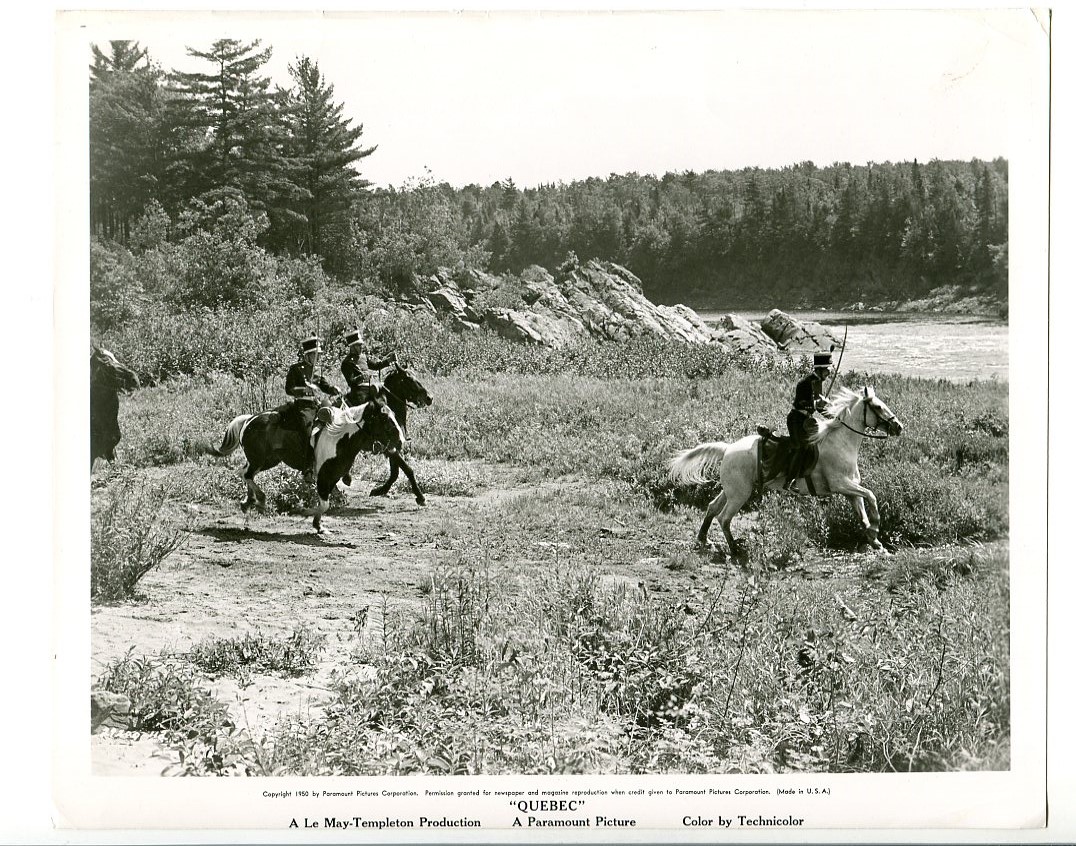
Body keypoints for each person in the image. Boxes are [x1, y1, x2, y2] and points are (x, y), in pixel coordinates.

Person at [282, 335, 340, 477]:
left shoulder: (316, 370)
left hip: (317, 404)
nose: (317, 357)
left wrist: (332, 389)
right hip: (303, 406)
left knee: (335, 424)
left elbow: (324, 385)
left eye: (318, 354)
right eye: (315, 354)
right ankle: (308, 468)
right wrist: (303, 390)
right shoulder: (295, 369)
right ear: (307, 355)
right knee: (308, 433)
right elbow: (288, 389)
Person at [784, 350, 833, 490]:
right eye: (827, 370)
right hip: (796, 420)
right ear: (820, 369)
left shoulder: (818, 383)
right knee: (802, 447)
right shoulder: (804, 383)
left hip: (806, 421)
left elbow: (819, 408)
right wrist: (818, 403)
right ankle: (789, 481)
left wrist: (832, 417)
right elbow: (802, 403)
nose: (829, 373)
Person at [340, 328, 397, 406]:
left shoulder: (363, 357)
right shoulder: (346, 363)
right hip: (359, 392)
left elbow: (376, 366)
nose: (361, 347)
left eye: (361, 345)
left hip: (370, 388)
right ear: (352, 347)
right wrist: (361, 377)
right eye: (358, 345)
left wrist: (389, 360)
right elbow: (351, 383)